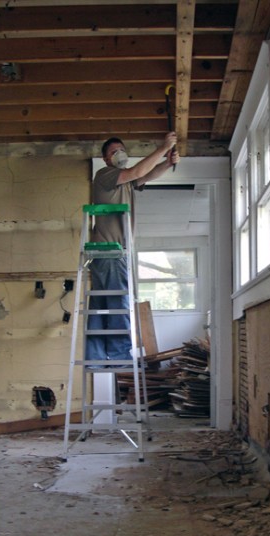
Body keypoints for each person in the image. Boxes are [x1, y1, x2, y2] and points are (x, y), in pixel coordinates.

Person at [86, 132, 180, 365]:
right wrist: (163, 147)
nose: (120, 154)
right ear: (106, 159)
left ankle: (96, 356)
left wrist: (167, 163)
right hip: (111, 251)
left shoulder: (125, 183)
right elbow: (137, 171)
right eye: (114, 151)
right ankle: (119, 356)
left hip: (105, 253)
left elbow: (146, 174)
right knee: (118, 303)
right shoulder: (105, 175)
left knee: (101, 305)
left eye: (122, 149)